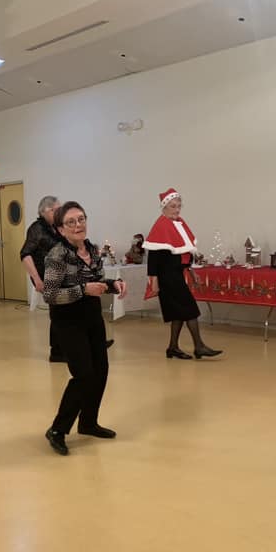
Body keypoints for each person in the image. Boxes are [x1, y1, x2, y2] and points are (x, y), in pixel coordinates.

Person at [42, 202, 127, 456]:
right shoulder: (57, 255)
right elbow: (50, 294)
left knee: (101, 370)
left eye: (81, 219)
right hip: (68, 320)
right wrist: (83, 290)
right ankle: (57, 429)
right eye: (71, 222)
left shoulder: (91, 249)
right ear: (60, 229)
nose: (78, 225)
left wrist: (113, 284)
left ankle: (88, 422)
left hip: (92, 316)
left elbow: (96, 282)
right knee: (83, 375)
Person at [144, 188, 222, 360]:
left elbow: (184, 253)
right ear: (164, 207)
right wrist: (153, 282)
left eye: (179, 206)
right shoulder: (161, 226)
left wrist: (192, 271)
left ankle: (172, 347)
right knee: (190, 309)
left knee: (178, 312)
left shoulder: (179, 224)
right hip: (167, 277)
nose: (177, 210)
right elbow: (153, 258)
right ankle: (199, 346)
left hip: (176, 275)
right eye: (173, 206)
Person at [20, 195, 65, 362]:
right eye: (56, 210)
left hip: (61, 273)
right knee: (59, 312)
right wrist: (37, 280)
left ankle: (85, 344)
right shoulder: (37, 228)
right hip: (45, 276)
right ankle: (57, 352)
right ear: (45, 211)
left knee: (67, 310)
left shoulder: (56, 228)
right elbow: (25, 254)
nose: (60, 213)